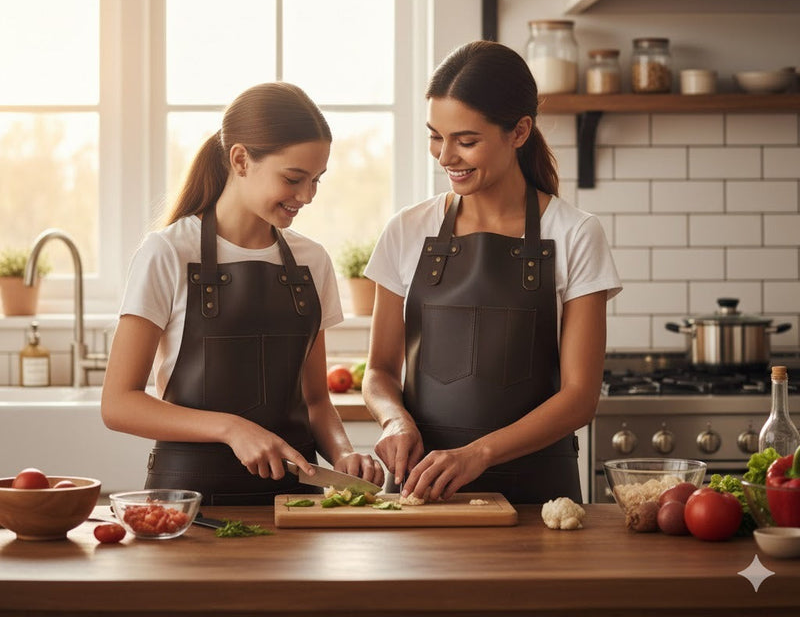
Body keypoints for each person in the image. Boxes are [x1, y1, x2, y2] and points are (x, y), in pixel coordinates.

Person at [362, 41, 621, 505]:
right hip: (425, 491)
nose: (445, 157)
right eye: (435, 136)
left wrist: (477, 454)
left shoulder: (576, 233)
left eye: (466, 140)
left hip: (538, 496)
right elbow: (379, 371)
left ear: (519, 132)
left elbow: (581, 396)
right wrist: (394, 420)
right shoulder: (406, 230)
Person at [102, 82, 384, 504]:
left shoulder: (313, 261)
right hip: (188, 502)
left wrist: (343, 454)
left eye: (316, 180)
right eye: (293, 179)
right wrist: (232, 428)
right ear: (240, 159)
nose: (306, 196)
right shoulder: (168, 252)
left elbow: (316, 400)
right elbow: (118, 404)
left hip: (296, 500)